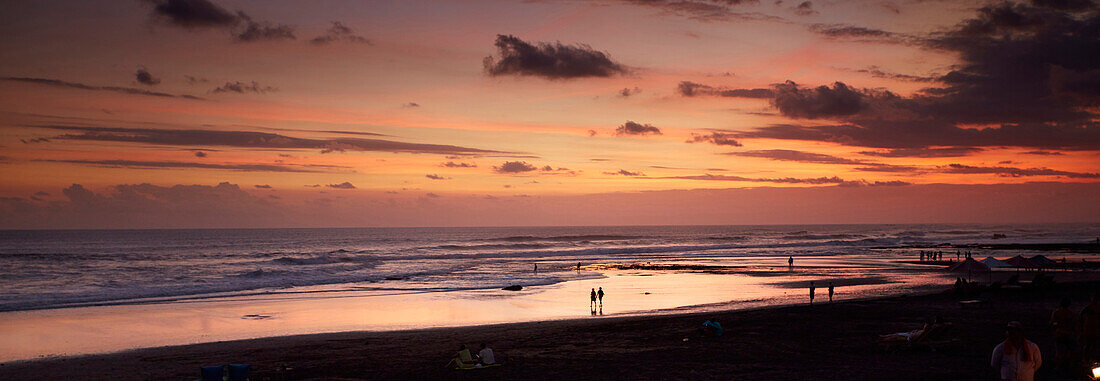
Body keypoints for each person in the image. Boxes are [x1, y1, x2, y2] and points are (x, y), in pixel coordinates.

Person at [1050, 297, 1077, 375]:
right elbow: (1074, 325)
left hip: (1059, 334)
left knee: (1059, 352)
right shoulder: (1071, 314)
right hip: (1068, 334)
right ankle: (1069, 367)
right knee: (1069, 351)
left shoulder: (1056, 313)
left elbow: (1052, 323)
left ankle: (1058, 367)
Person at [1081, 293, 1100, 363]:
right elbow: (1081, 317)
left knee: (1092, 345)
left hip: (1094, 330)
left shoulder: (1088, 308)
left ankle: (1090, 359)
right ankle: (1086, 359)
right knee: (1088, 345)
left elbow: (1081, 317)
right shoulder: (1088, 308)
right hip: (1089, 330)